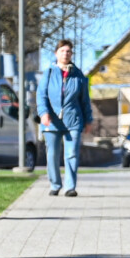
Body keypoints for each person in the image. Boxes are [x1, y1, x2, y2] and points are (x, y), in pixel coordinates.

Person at [38, 39, 93, 197]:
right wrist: (44, 113)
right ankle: (55, 184)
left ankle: (70, 187)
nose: (65, 54)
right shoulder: (49, 73)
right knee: (52, 155)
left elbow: (85, 100)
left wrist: (88, 120)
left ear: (71, 54)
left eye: (68, 51)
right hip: (52, 120)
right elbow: (41, 95)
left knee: (72, 154)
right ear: (56, 53)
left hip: (73, 120)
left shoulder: (78, 75)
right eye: (62, 51)